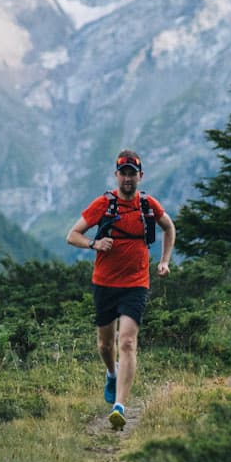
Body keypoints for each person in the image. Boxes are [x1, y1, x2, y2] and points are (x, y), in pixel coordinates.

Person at [66, 149, 174, 431]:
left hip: (136, 284)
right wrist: (94, 244)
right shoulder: (104, 204)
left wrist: (164, 261)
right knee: (105, 345)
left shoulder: (148, 205)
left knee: (126, 342)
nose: (128, 178)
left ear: (140, 176)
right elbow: (72, 235)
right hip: (104, 282)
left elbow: (169, 227)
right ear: (116, 176)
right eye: (123, 173)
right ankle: (111, 373)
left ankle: (120, 406)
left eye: (132, 173)